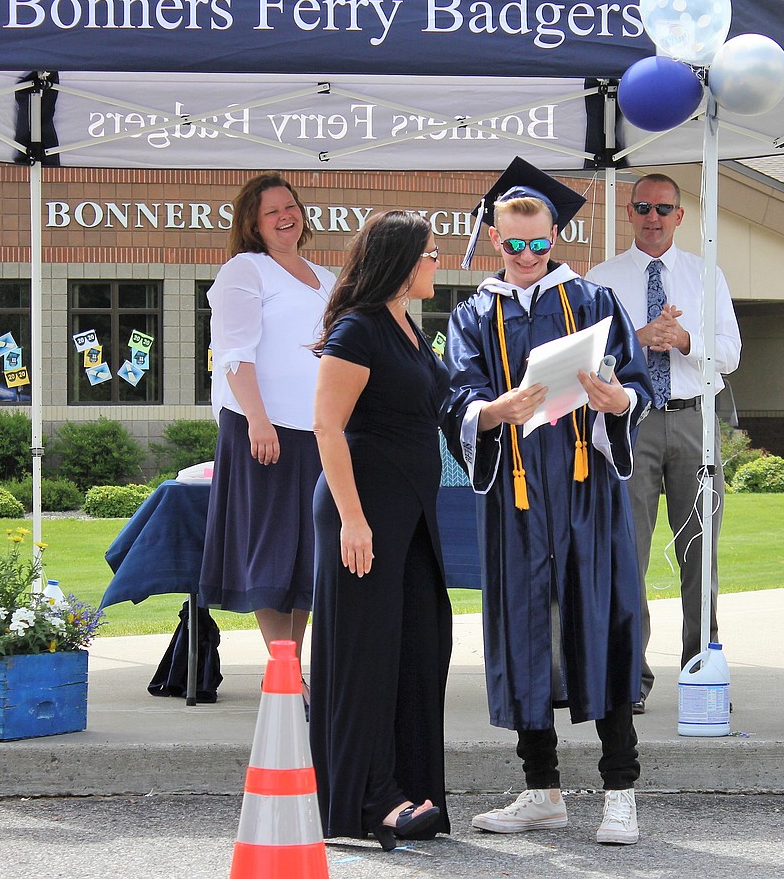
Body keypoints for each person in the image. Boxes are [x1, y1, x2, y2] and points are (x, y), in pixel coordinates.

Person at [444, 158, 652, 846]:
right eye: (513, 244)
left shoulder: (593, 303)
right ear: (494, 238)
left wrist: (618, 401)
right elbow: (454, 397)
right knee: (525, 632)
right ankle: (542, 789)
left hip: (589, 493)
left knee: (606, 623)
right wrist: (491, 411)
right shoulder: (473, 314)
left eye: (538, 243)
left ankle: (620, 792)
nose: (527, 256)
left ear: (556, 236)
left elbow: (637, 384)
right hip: (517, 495)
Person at [310, 211, 452, 850]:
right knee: (364, 658)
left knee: (419, 647)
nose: (437, 262)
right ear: (400, 261)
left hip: (411, 515)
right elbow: (327, 428)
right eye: (429, 253)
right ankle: (366, 804)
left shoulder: (408, 329)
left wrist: (514, 404)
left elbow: (444, 407)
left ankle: (412, 790)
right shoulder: (359, 328)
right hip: (362, 515)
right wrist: (352, 519)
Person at [586, 173, 741, 711]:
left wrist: (686, 339)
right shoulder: (601, 280)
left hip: (694, 421)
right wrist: (638, 337)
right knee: (628, 551)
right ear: (629, 213)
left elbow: (731, 352)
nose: (653, 217)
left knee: (701, 553)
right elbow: (584, 360)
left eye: (664, 208)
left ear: (680, 216)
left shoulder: (705, 275)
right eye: (643, 207)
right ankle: (631, 676)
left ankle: (702, 670)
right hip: (632, 422)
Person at [200, 172, 335, 701]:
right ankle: (280, 666)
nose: (286, 216)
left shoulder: (324, 277)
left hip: (317, 433)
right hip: (264, 430)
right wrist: (258, 420)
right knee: (273, 550)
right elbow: (236, 353)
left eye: (291, 206)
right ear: (253, 224)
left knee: (307, 553)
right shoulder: (244, 271)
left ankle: (291, 668)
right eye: (272, 211)